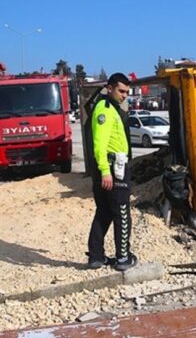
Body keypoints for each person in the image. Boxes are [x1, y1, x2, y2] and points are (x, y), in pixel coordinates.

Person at [86, 73, 137, 271]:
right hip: (113, 169)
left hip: (111, 167)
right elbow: (100, 144)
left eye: (127, 92)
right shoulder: (105, 110)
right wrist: (105, 171)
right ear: (109, 88)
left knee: (104, 212)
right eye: (121, 91)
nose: (124, 95)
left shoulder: (111, 108)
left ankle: (96, 256)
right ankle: (123, 257)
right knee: (122, 212)